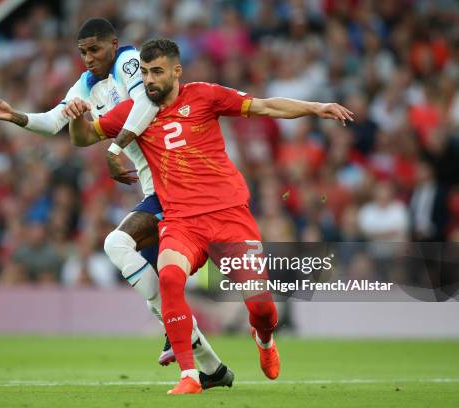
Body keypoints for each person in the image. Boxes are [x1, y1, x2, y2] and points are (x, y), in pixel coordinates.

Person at [67, 38, 353, 394]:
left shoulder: (205, 95)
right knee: (170, 278)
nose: (149, 80)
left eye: (157, 72)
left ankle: (264, 339)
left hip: (229, 216)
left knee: (263, 308)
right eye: (144, 72)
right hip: (181, 220)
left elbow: (264, 106)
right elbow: (83, 138)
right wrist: (78, 117)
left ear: (176, 71)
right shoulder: (132, 110)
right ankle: (190, 376)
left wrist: (315, 107)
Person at [0, 19, 231, 387]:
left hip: (176, 185)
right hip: (153, 189)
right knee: (153, 290)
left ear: (114, 44)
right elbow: (53, 123)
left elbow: (145, 100)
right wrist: (14, 115)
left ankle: (183, 335)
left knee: (120, 246)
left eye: (95, 49)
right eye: (82, 52)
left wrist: (114, 148)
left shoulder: (129, 61)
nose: (88, 58)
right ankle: (212, 368)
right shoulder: (88, 84)